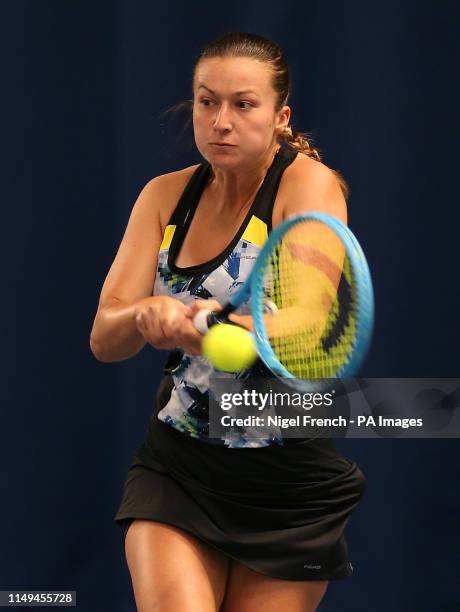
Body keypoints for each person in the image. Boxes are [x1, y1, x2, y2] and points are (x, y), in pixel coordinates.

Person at [90, 32, 366, 612]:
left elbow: (309, 321)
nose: (220, 121)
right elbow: (104, 339)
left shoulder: (307, 184)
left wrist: (213, 327)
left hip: (288, 486)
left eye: (243, 104)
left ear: (279, 115)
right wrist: (144, 314)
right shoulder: (164, 197)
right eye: (206, 101)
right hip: (178, 469)